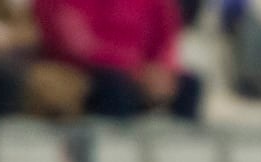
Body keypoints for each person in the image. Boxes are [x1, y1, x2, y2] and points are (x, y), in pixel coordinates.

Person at [32, 0, 201, 120]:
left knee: (190, 85)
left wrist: (163, 69)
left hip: (137, 71)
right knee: (114, 86)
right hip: (82, 69)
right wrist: (136, 69)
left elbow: (165, 38)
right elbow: (76, 45)